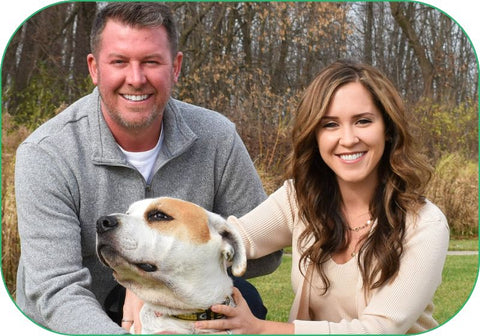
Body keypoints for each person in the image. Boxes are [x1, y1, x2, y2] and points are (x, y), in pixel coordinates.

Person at [14, 2, 281, 334]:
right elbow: (54, 291)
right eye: (119, 62)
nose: (136, 79)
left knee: (247, 302)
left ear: (176, 67)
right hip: (80, 316)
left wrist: (154, 276)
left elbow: (266, 255)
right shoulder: (46, 154)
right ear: (95, 68)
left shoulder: (218, 137)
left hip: (174, 306)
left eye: (152, 62)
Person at [192, 60, 450, 334]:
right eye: (330, 125)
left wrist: (258, 328)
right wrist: (144, 281)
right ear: (314, 135)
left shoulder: (425, 224)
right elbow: (226, 240)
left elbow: (378, 329)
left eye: (363, 121)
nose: (348, 139)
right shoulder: (299, 199)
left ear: (387, 129)